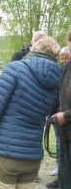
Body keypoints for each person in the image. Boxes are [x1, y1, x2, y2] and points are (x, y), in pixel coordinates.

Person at [0, 36, 62, 189]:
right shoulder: (55, 81)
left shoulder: (15, 68)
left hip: (6, 154)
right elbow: (32, 107)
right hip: (32, 156)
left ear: (33, 48)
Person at [46, 31, 71, 189]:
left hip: (66, 124)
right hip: (64, 136)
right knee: (65, 179)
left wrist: (66, 116)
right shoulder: (64, 69)